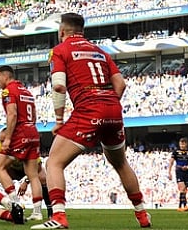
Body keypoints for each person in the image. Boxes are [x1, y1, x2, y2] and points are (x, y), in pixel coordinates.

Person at [32, 13, 151, 229]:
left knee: (54, 162)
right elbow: (121, 84)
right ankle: (142, 213)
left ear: (62, 32)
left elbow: (59, 85)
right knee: (121, 163)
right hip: (113, 109)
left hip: (88, 108)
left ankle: (58, 216)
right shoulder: (100, 52)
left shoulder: (60, 50)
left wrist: (59, 119)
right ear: (82, 30)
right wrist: (108, 107)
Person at [0, 65, 44, 221]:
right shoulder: (27, 92)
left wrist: (8, 137)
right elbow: (34, 115)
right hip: (33, 131)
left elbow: (12, 114)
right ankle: (37, 212)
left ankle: (15, 204)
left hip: (20, 132)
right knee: (33, 175)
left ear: (4, 76)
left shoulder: (8, 91)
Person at [0, 128, 52, 219]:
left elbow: (37, 167)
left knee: (42, 176)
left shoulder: (24, 145)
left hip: (27, 169)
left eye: (4, 141)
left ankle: (49, 210)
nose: (2, 144)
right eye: (0, 141)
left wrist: (26, 182)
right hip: (13, 171)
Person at [168, 137, 188, 211]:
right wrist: (169, 172)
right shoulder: (176, 152)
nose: (182, 146)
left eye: (183, 144)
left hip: (186, 171)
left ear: (186, 144)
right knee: (182, 188)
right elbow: (171, 162)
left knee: (185, 190)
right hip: (179, 171)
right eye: (181, 144)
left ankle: (183, 206)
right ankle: (181, 206)